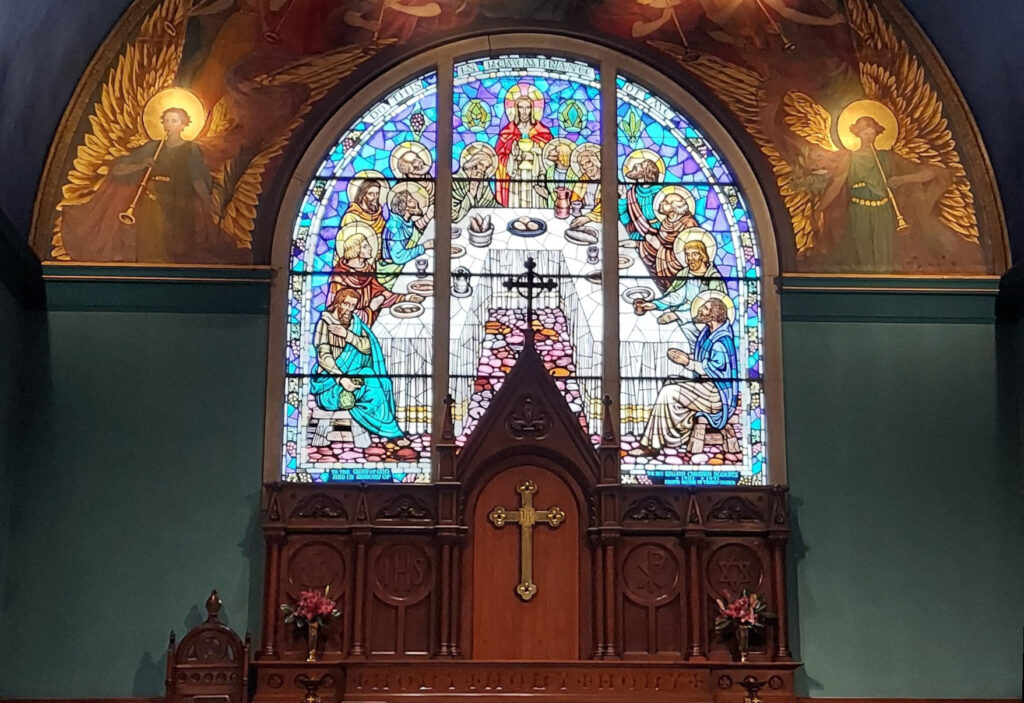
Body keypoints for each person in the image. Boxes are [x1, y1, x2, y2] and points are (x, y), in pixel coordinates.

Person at [61, 107, 226, 263]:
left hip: (179, 202)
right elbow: (119, 169)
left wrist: (208, 202)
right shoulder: (153, 147)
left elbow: (197, 178)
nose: (169, 124)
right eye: (166, 120)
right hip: (152, 201)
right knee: (151, 243)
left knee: (176, 245)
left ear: (183, 125)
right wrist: (141, 165)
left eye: (174, 121)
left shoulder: (191, 149)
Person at [816, 115, 938, 272]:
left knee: (883, 256)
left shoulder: (886, 157)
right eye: (865, 133)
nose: (869, 138)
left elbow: (929, 174)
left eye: (872, 134)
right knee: (861, 256)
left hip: (883, 212)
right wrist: (819, 209)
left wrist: (903, 179)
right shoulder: (851, 158)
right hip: (859, 212)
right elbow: (837, 185)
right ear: (858, 134)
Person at [632, 294, 738, 454]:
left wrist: (687, 362)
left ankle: (652, 446)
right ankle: (677, 434)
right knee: (670, 382)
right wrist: (686, 357)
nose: (700, 310)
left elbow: (714, 370)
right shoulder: (709, 333)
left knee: (669, 392)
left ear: (714, 316)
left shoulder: (721, 341)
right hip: (707, 387)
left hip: (716, 395)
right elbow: (704, 360)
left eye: (705, 308)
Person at [309, 288, 409, 449]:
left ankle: (387, 428)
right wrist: (342, 379)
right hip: (329, 386)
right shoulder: (325, 322)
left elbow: (367, 346)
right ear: (337, 302)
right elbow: (323, 356)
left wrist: (347, 335)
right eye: (345, 304)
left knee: (380, 381)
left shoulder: (355, 321)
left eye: (352, 305)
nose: (348, 308)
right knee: (373, 384)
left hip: (353, 376)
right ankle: (391, 432)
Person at [634, 238, 726, 347]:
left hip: (700, 324)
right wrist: (654, 304)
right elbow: (677, 296)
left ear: (703, 255)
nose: (690, 259)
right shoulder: (686, 273)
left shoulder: (713, 279)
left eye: (695, 254)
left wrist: (678, 315)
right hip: (683, 318)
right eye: (688, 255)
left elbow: (710, 313)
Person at [328, 228, 423, 326]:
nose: (370, 248)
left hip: (369, 318)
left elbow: (379, 291)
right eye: (365, 246)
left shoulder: (367, 270)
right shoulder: (339, 278)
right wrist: (370, 309)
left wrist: (405, 298)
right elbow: (337, 314)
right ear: (355, 250)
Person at [495, 91, 553, 207]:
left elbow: (550, 156)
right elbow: (499, 158)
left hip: (536, 177)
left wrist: (535, 156)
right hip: (516, 177)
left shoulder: (542, 132)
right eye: (521, 108)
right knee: (516, 204)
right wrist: (513, 157)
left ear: (532, 110)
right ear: (516, 110)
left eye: (528, 108)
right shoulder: (507, 132)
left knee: (537, 205)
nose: (525, 112)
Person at [378, 189, 434, 289]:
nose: (415, 201)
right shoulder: (394, 227)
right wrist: (424, 246)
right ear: (404, 208)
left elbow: (412, 232)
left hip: (404, 264)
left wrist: (427, 217)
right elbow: (399, 257)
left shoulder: (403, 220)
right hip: (393, 273)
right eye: (410, 201)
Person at [451, 149, 499, 222]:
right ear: (473, 163)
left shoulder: (483, 183)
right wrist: (471, 194)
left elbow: (492, 205)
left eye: (486, 167)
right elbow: (453, 215)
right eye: (481, 164)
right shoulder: (455, 182)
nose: (482, 169)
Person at [569, 145, 602, 227]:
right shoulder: (583, 179)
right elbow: (574, 200)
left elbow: (609, 205)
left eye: (588, 162)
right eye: (582, 165)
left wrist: (587, 218)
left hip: (601, 218)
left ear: (595, 162)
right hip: (582, 215)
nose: (585, 167)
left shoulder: (609, 179)